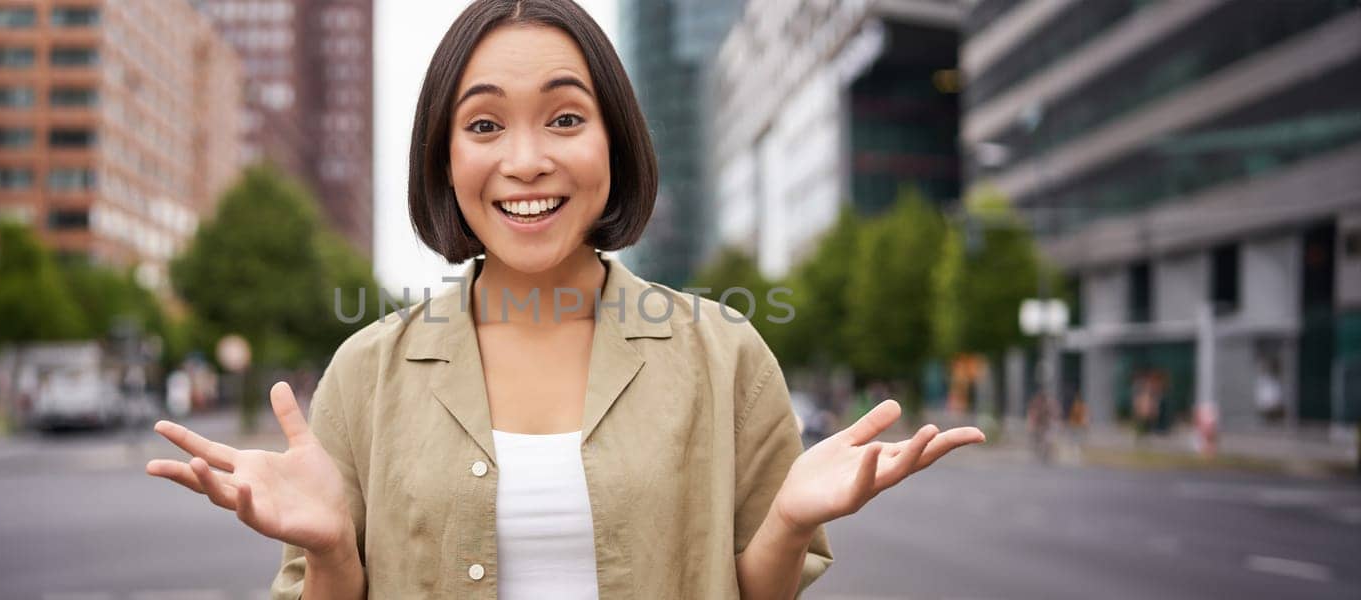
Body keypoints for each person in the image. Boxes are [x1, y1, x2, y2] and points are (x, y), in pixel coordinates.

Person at [145, 1, 985, 598]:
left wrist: (789, 522)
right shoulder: (369, 372)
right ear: (442, 159)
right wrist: (330, 551)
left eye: (564, 119)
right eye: (483, 126)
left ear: (614, 141)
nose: (525, 160)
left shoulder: (724, 354)